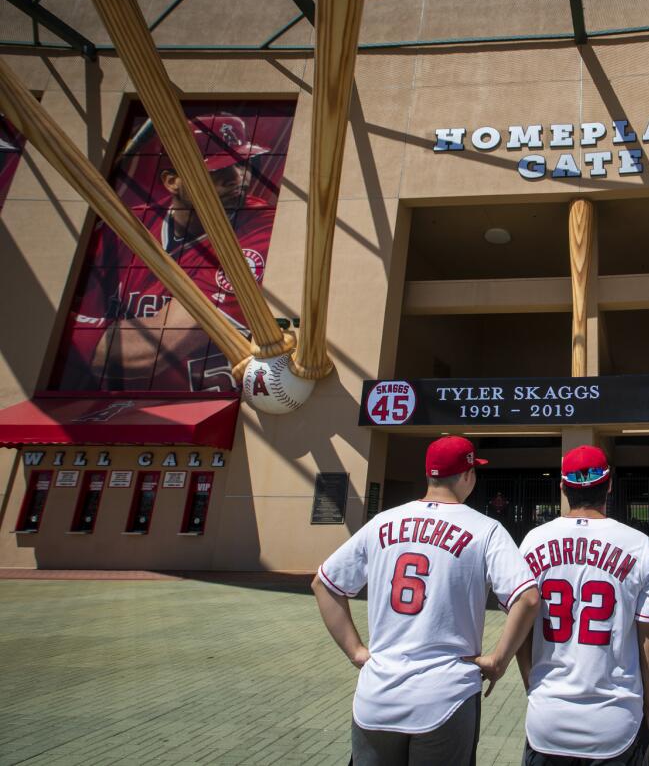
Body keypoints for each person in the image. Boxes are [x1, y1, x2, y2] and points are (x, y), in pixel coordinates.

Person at [312, 435, 540, 766]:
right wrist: (498, 661)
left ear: (429, 475)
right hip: (446, 694)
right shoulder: (485, 529)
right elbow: (529, 598)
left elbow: (324, 584)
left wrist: (357, 652)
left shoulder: (382, 522)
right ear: (466, 475)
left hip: (378, 693)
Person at [62, 113, 278, 392]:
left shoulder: (262, 228)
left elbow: (157, 346)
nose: (239, 178)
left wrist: (50, 328)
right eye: (218, 170)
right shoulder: (124, 228)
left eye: (243, 164)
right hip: (104, 406)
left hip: (207, 410)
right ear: (172, 181)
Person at [516, 445, 649, 765]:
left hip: (548, 718)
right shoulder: (638, 545)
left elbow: (520, 629)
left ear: (562, 486)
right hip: (616, 720)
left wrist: (533, 686)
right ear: (610, 485)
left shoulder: (533, 540)